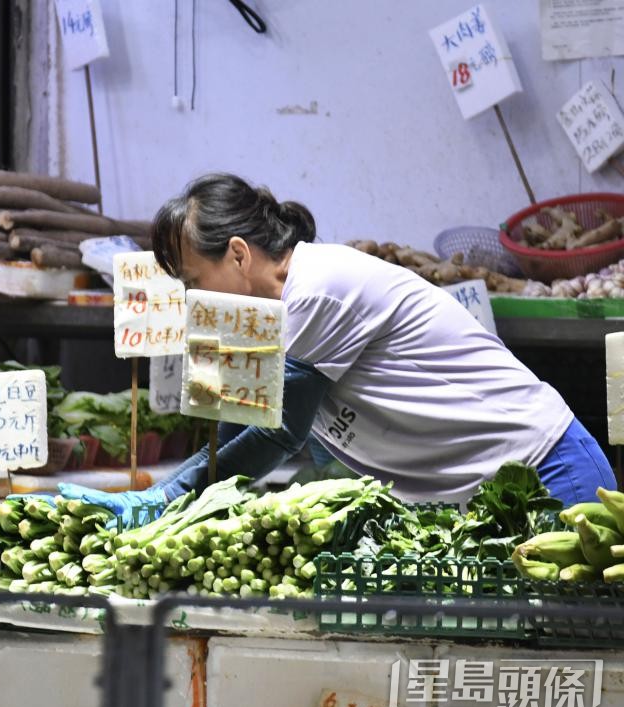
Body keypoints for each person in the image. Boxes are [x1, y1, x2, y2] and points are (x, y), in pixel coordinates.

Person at [150, 173, 615, 507]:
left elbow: (278, 435)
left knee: (559, 646)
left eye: (193, 282)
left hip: (546, 470)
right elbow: (234, 429)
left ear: (237, 255)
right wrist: (169, 491)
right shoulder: (253, 322)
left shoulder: (316, 289)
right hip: (480, 495)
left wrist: (170, 495)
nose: (192, 301)